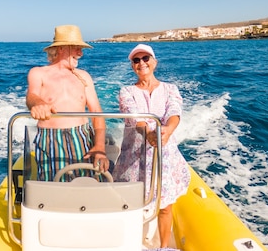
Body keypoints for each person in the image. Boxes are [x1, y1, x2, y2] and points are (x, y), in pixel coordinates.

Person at [113, 43, 191, 249]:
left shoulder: (170, 89)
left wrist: (167, 130)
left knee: (165, 207)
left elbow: (174, 112)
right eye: (136, 60)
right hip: (134, 159)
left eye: (145, 58)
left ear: (154, 62)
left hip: (165, 158)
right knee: (129, 204)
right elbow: (133, 117)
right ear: (132, 66)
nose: (141, 63)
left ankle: (164, 246)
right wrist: (148, 133)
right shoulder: (126, 91)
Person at [26, 24, 110, 181]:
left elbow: (97, 113)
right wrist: (37, 103)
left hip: (82, 136)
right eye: (76, 48)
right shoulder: (38, 73)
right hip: (50, 139)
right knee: (54, 185)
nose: (80, 53)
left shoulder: (84, 76)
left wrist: (99, 147)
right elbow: (32, 95)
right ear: (61, 49)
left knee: (86, 184)